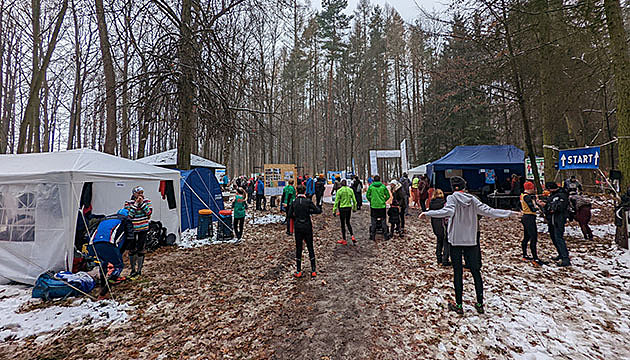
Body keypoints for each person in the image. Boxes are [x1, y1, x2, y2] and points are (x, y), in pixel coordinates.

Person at [420, 176, 518, 315]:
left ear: (453, 187)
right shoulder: (473, 200)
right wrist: (509, 213)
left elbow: (447, 212)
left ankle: (459, 305)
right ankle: (479, 303)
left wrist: (428, 213)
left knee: (458, 273)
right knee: (476, 272)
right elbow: (489, 211)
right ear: (464, 186)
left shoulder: (452, 199)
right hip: (471, 240)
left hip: (455, 241)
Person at [88, 208, 134, 298]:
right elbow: (130, 237)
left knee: (103, 264)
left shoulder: (105, 219)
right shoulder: (125, 220)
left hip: (93, 244)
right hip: (108, 243)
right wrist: (127, 249)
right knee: (119, 266)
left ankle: (102, 286)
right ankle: (104, 292)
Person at [288, 185, 322, 278]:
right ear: (304, 191)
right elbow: (317, 211)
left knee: (299, 247)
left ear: (297, 192)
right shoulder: (308, 201)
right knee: (310, 246)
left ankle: (298, 270)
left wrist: (296, 215)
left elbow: (290, 214)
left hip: (298, 226)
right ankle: (313, 270)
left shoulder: (294, 202)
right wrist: (309, 211)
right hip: (307, 226)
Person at [537, 182, 571, 267]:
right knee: (554, 237)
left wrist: (546, 205)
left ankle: (565, 258)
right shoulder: (552, 195)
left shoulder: (561, 195)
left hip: (558, 220)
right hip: (551, 220)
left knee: (559, 238)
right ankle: (560, 254)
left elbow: (558, 207)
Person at [125, 186, 152, 278]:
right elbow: (130, 215)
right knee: (132, 249)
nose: (141, 194)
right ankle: (132, 269)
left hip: (143, 228)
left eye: (142, 192)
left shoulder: (147, 201)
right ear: (134, 194)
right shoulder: (128, 203)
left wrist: (142, 204)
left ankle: (139, 270)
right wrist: (136, 204)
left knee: (141, 248)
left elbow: (149, 213)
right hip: (132, 228)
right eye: (139, 193)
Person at [520, 181, 544, 265]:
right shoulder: (527, 197)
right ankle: (535, 258)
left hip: (525, 217)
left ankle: (525, 254)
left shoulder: (523, 195)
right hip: (529, 217)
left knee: (526, 236)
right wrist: (538, 206)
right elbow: (532, 208)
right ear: (530, 188)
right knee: (533, 237)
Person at [332, 179, 357, 245]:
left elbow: (336, 201)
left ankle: (344, 239)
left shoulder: (339, 191)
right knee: (348, 222)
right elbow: (354, 200)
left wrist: (334, 210)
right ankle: (352, 236)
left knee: (343, 224)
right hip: (348, 207)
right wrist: (354, 208)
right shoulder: (350, 190)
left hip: (342, 208)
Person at [366, 175, 390, 241]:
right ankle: (386, 236)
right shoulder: (383, 186)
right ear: (380, 180)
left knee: (373, 221)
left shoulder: (371, 187)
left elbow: (367, 195)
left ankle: (372, 236)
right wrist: (383, 200)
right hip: (382, 206)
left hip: (374, 206)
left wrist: (371, 200)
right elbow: (388, 195)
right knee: (383, 221)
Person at [429, 189, 449, 266]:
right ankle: (445, 259)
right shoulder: (444, 203)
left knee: (439, 241)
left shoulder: (431, 203)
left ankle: (439, 259)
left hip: (435, 224)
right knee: (446, 242)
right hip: (443, 224)